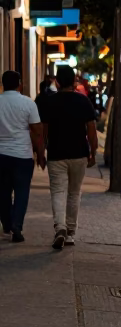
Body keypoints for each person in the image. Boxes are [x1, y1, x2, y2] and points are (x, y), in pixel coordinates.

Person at [39, 65, 98, 251]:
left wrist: (41, 153)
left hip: (56, 154)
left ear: (57, 81)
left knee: (58, 191)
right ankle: (71, 233)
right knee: (74, 193)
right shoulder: (83, 101)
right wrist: (93, 152)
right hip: (79, 153)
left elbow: (43, 132)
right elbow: (91, 130)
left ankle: (60, 227)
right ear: (74, 81)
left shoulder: (49, 102)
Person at [0, 70, 45, 242]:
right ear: (20, 83)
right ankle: (16, 225)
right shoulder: (28, 103)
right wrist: (40, 155)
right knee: (22, 192)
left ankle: (6, 223)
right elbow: (38, 131)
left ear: (3, 84)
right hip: (22, 156)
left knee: (3, 192)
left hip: (1, 156)